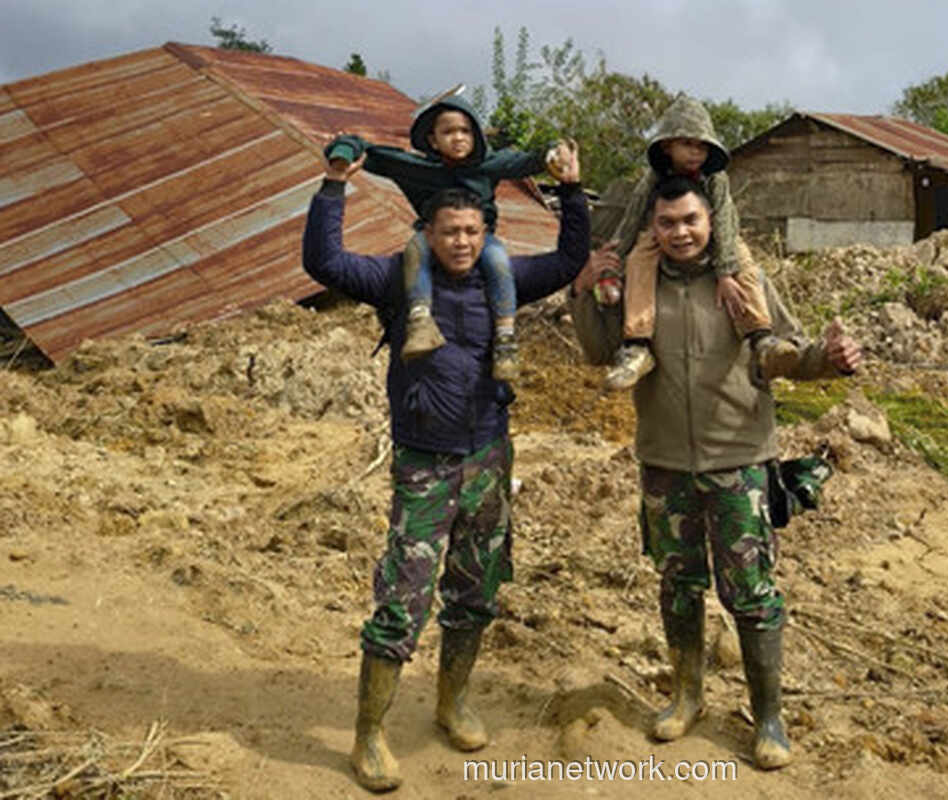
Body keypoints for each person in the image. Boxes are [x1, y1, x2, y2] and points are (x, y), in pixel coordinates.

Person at [302, 141, 587, 792]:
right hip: (426, 463)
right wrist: (333, 186)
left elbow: (570, 260)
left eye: (471, 231)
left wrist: (572, 191)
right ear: (428, 234)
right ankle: (369, 733)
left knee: (476, 593)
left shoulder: (503, 279)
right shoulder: (398, 282)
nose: (460, 242)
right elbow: (323, 261)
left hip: (490, 454)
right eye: (449, 232)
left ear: (486, 232)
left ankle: (452, 702)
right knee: (403, 601)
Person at [571, 176, 862, 770]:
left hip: (739, 461)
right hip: (664, 464)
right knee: (678, 585)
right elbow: (601, 353)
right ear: (652, 227)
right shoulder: (635, 284)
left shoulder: (742, 281)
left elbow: (785, 350)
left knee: (751, 594)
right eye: (667, 222)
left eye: (690, 221)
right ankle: (687, 696)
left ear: (711, 223)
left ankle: (770, 717)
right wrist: (581, 292)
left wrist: (825, 360)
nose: (679, 233)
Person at [324, 95, 570, 380]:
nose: (458, 138)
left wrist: (554, 152)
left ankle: (504, 339)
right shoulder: (419, 168)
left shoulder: (490, 164)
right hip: (430, 235)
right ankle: (419, 323)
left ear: (476, 135)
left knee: (498, 260)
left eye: (465, 131)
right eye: (449, 132)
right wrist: (343, 147)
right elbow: (376, 156)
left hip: (480, 239)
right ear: (432, 139)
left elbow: (526, 161)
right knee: (415, 252)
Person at [603, 94, 797, 391]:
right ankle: (637, 345)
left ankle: (761, 338)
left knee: (744, 264)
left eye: (702, 146)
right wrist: (613, 261)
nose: (697, 153)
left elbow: (724, 222)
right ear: (668, 146)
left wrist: (725, 271)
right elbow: (633, 217)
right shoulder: (653, 179)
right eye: (688, 144)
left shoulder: (715, 179)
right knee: (639, 258)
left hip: (719, 235)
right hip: (662, 235)